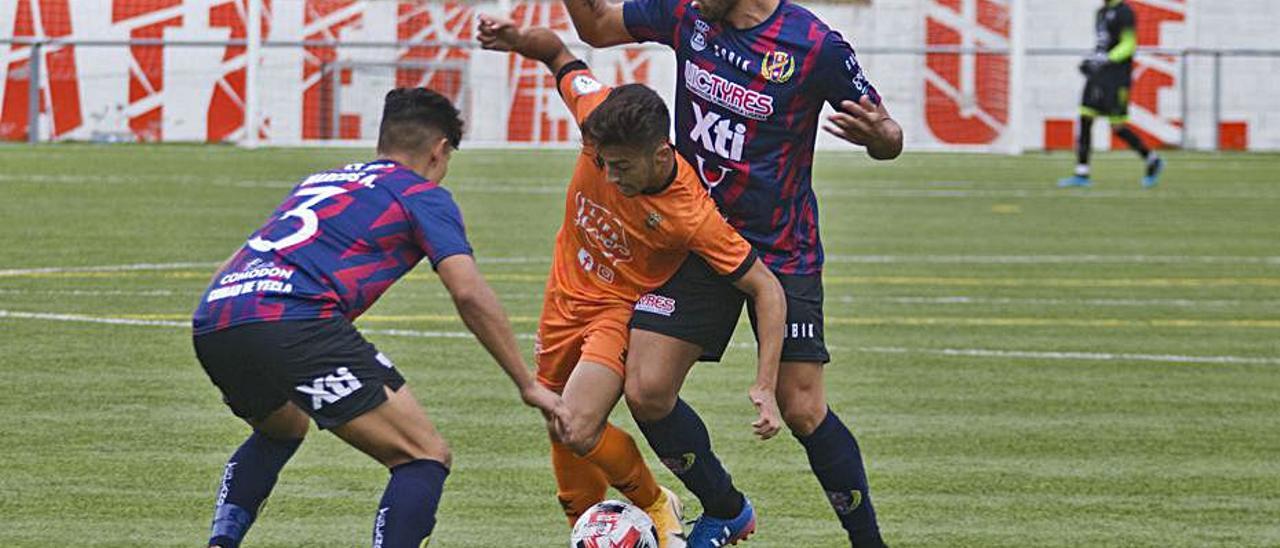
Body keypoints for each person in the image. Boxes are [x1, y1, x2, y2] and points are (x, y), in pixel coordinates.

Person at [552, 0, 904, 545]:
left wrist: (880, 136)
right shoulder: (687, 14)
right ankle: (726, 509)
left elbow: (889, 137)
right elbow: (596, 26)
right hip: (693, 238)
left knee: (803, 409)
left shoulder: (814, 47)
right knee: (646, 390)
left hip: (781, 250)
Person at [191, 87, 565, 548]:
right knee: (424, 457)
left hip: (217, 318)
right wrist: (527, 383)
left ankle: (220, 542)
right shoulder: (423, 195)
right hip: (294, 319)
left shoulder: (321, 181)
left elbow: (232, 263)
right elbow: (468, 292)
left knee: (281, 428)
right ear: (439, 149)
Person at [477, 15, 788, 548]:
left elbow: (766, 288)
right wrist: (517, 41)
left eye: (621, 166)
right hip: (562, 300)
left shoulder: (690, 212)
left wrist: (765, 383)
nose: (610, 175)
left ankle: (653, 506)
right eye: (601, 163)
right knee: (563, 437)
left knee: (575, 424)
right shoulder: (599, 113)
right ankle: (609, 528)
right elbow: (558, 53)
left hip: (617, 312)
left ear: (661, 155)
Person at [1059, 0, 1164, 188]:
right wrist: (1091, 61)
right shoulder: (1100, 12)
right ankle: (1082, 173)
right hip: (1099, 75)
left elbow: (1129, 44)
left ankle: (1152, 159)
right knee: (1085, 117)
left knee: (1117, 126)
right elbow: (1102, 45)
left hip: (1117, 77)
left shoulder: (1125, 12)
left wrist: (1106, 60)